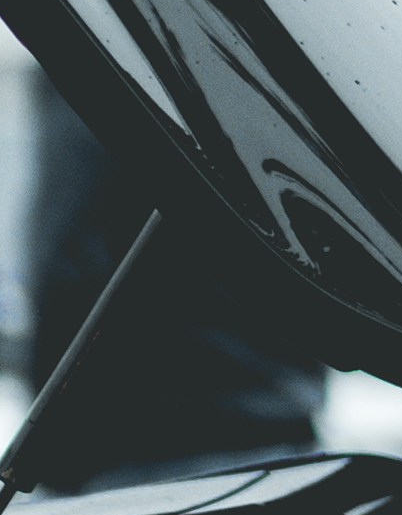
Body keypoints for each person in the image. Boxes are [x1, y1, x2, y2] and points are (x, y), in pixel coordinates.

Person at [25, 75, 324, 491]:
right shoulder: (266, 61)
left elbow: (70, 262)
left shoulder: (96, 60)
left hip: (148, 450)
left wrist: (51, 450)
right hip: (283, 429)